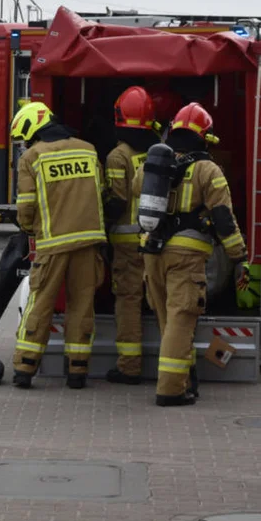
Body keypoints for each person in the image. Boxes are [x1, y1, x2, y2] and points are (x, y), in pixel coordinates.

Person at [132, 103, 248, 407]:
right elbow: (223, 217)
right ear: (204, 136)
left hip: (152, 251)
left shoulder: (150, 164)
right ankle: (170, 390)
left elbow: (134, 191)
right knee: (181, 321)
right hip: (187, 256)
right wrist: (238, 254)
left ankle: (185, 379)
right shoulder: (208, 170)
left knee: (167, 322)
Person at [10, 101, 107, 390]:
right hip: (89, 241)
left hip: (52, 243)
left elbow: (26, 207)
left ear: (32, 129)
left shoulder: (32, 157)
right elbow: (100, 192)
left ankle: (24, 368)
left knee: (40, 304)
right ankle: (77, 371)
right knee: (82, 306)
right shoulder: (88, 150)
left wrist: (27, 229)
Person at [103, 86, 161, 385]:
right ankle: (180, 366)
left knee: (128, 301)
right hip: (155, 242)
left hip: (126, 246)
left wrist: (100, 225)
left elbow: (117, 201)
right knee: (162, 302)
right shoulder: (159, 151)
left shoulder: (117, 157)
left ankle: (129, 367)